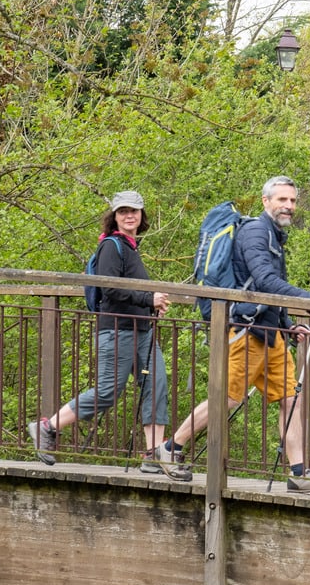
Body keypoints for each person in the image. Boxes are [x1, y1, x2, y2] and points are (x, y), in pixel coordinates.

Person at [163, 176, 310, 493]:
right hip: (246, 332)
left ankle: (299, 473)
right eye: (282, 200)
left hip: (271, 334)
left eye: (293, 201)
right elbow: (266, 281)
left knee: (288, 399)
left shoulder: (273, 235)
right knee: (227, 398)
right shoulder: (256, 232)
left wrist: (287, 325)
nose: (289, 206)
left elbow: (265, 288)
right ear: (265, 201)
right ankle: (171, 448)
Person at [27, 191, 190, 479]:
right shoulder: (111, 247)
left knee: (157, 385)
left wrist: (153, 306)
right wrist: (147, 299)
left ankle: (153, 455)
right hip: (116, 331)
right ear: (114, 216)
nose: (130, 216)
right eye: (124, 211)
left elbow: (134, 293)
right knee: (107, 392)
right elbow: (110, 289)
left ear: (142, 216)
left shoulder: (131, 248)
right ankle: (47, 427)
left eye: (135, 211)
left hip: (142, 331)